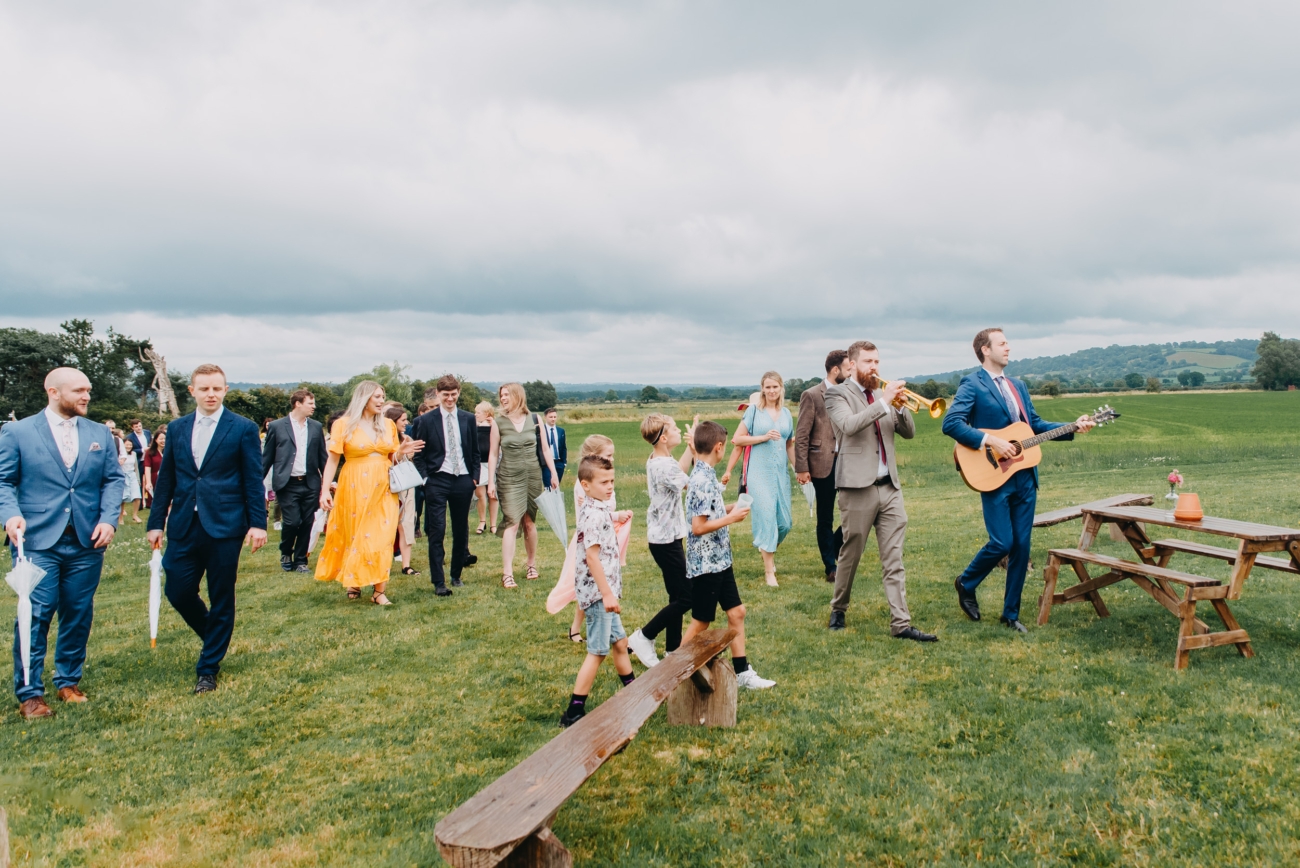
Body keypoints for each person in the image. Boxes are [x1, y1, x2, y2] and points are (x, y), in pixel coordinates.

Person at [943, 328, 1094, 632]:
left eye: (1008, 342)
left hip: (1025, 474)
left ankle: (1010, 615)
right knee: (1002, 542)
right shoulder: (972, 383)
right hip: (994, 474)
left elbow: (1033, 426)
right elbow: (951, 423)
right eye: (1002, 343)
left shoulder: (1018, 385)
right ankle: (966, 582)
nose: (1008, 347)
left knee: (1022, 547)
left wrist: (1072, 427)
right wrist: (990, 441)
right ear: (985, 350)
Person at [0, 367, 125, 719]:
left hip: (87, 541)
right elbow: (3, 481)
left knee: (78, 612)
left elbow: (113, 480)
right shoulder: (17, 432)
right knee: (35, 614)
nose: (87, 396)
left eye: (88, 390)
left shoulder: (99, 432)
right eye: (79, 391)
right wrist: (10, 515)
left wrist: (108, 519)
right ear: (53, 391)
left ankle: (68, 680)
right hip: (37, 539)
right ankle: (30, 694)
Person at [147, 364, 267, 694]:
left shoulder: (242, 428)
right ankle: (215, 635)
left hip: (226, 525)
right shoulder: (177, 428)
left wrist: (258, 523)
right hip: (184, 523)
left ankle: (208, 668)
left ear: (225, 389)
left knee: (221, 596)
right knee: (178, 590)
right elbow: (167, 478)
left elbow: (252, 480)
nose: (211, 394)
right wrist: (156, 522)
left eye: (217, 388)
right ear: (193, 392)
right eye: (204, 389)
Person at [824, 341, 936, 641]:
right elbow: (849, 426)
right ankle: (839, 607)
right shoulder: (837, 394)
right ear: (852, 364)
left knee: (894, 558)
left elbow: (909, 433)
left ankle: (901, 623)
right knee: (851, 552)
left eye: (877, 361)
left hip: (890, 487)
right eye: (868, 362)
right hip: (856, 488)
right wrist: (884, 402)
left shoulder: (882, 396)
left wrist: (898, 407)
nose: (874, 367)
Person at [679, 421, 774, 690]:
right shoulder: (700, 480)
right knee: (701, 621)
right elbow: (698, 527)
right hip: (707, 564)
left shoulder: (707, 473)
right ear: (719, 447)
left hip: (721, 560)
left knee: (737, 612)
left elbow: (711, 510)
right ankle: (673, 669)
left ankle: (742, 672)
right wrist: (731, 518)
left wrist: (733, 506)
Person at [315, 381, 424, 605]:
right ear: (363, 398)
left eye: (383, 397)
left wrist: (402, 452)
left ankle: (379, 591)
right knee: (355, 534)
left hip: (383, 486)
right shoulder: (343, 424)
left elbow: (392, 459)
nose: (381, 401)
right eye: (377, 397)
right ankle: (354, 580)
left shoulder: (387, 425)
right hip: (353, 484)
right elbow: (333, 460)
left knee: (382, 536)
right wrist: (325, 489)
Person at [558, 455, 636, 728]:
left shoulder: (599, 509)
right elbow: (592, 559)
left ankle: (633, 691)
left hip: (603, 593)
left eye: (612, 480)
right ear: (585, 485)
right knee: (598, 652)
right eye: (604, 482)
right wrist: (607, 594)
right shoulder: (592, 515)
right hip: (598, 595)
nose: (610, 486)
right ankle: (574, 711)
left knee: (619, 643)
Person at [625, 413, 696, 668]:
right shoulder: (663, 466)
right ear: (664, 437)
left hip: (667, 537)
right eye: (676, 428)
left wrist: (690, 448)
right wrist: (700, 451)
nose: (679, 430)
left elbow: (681, 472)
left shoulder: (662, 458)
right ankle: (643, 636)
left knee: (676, 596)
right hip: (665, 542)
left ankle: (672, 650)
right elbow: (691, 484)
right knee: (687, 598)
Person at [548, 435, 633, 642]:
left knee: (596, 584)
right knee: (586, 585)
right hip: (591, 538)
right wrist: (615, 516)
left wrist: (616, 516)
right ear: (593, 456)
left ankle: (615, 637)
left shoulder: (601, 480)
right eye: (608, 455)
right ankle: (579, 629)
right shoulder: (586, 485)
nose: (612, 459)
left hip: (602, 534)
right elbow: (590, 516)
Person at [410, 376, 481, 595]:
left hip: (463, 479)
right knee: (437, 530)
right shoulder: (425, 421)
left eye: (453, 394)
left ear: (458, 392)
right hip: (437, 479)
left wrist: (474, 477)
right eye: (445, 395)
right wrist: (425, 478)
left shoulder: (468, 418)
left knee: (461, 529)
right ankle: (439, 582)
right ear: (438, 395)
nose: (450, 399)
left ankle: (456, 574)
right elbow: (418, 455)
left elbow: (475, 451)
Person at [487, 382, 560, 588]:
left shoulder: (535, 419)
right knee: (512, 521)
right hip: (509, 477)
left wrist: (553, 474)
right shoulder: (498, 422)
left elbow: (546, 450)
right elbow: (493, 454)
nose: (503, 398)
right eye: (501, 395)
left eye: (507, 394)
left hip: (532, 477)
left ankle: (531, 564)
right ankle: (507, 573)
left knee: (529, 522)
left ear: (518, 395)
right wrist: (490, 480)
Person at [727, 372, 794, 587]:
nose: (772, 391)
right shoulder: (754, 412)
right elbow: (737, 439)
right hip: (758, 474)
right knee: (766, 518)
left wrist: (799, 468)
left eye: (775, 387)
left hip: (780, 475)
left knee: (785, 523)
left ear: (781, 388)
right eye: (768, 387)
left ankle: (766, 547)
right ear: (763, 389)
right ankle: (769, 572)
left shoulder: (786, 414)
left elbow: (789, 444)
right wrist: (763, 437)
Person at [795, 350, 850, 583]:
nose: (851, 372)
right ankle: (830, 565)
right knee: (825, 516)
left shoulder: (850, 392)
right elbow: (802, 434)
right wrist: (801, 467)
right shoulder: (812, 395)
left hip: (848, 461)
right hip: (822, 463)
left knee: (855, 512)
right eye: (848, 368)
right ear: (835, 370)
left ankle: (835, 545)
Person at [261, 390, 327, 572]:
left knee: (307, 522)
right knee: (291, 522)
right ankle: (285, 552)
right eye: (310, 403)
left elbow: (323, 457)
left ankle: (300, 560)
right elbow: (267, 457)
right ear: (298, 403)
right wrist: (257, 482)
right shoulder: (276, 426)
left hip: (310, 482)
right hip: (286, 483)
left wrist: (329, 482)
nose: (314, 407)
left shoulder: (315, 426)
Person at [383, 403, 421, 577]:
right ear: (393, 421)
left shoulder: (408, 439)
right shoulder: (382, 440)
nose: (406, 423)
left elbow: (412, 460)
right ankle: (383, 563)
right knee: (386, 526)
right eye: (403, 420)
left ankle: (406, 565)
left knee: (406, 524)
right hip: (386, 487)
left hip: (406, 487)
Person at [473, 401, 498, 534]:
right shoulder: (474, 427)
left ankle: (493, 524)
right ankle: (482, 521)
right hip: (479, 464)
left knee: (493, 495)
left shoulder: (495, 426)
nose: (475, 414)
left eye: (478, 412)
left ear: (487, 414)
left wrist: (492, 423)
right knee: (480, 494)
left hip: (492, 464)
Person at [541, 408, 567, 489]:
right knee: (548, 486)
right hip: (546, 464)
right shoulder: (541, 431)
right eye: (551, 417)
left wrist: (564, 462)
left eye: (555, 417)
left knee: (556, 487)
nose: (553, 419)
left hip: (559, 462)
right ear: (545, 417)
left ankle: (556, 501)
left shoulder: (561, 431)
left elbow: (563, 447)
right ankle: (549, 501)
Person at [119, 438, 143, 524]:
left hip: (132, 475)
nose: (129, 446)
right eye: (127, 444)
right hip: (123, 476)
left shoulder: (134, 454)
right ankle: (120, 517)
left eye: (130, 445)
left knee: (137, 496)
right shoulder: (120, 454)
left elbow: (136, 467)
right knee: (123, 498)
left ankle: (135, 515)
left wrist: (138, 479)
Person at [141, 430, 166, 509]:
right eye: (161, 439)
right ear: (155, 440)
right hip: (155, 478)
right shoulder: (150, 452)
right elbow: (147, 467)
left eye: (165, 439)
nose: (163, 441)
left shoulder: (168, 451)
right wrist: (148, 482)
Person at [126, 419, 150, 486]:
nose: (139, 428)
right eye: (136, 426)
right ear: (132, 427)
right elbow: (130, 450)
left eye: (140, 426)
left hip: (148, 459)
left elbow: (150, 443)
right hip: (139, 461)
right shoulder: (130, 437)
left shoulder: (147, 433)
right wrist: (142, 450)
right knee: (139, 481)